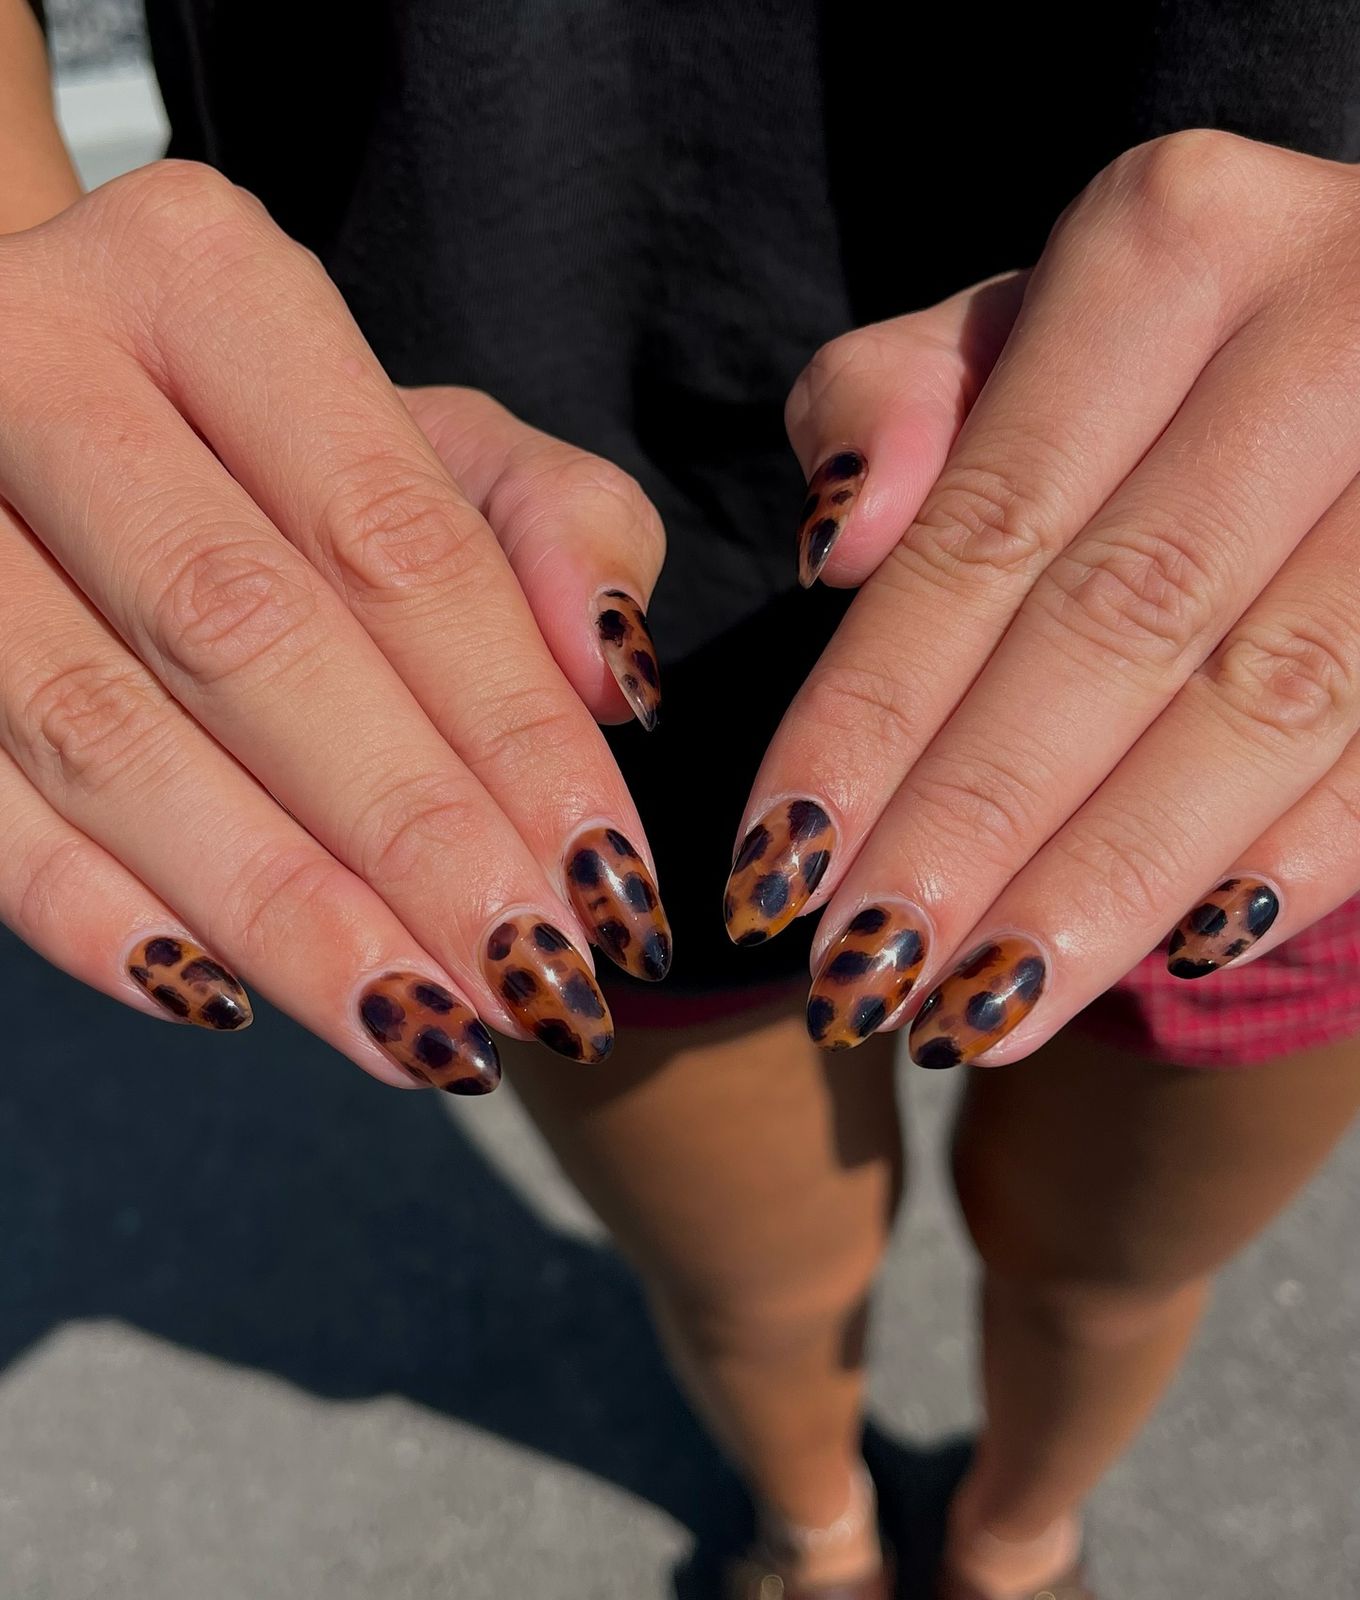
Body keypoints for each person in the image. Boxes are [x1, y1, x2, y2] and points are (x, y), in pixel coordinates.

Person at [4, 3, 1360, 1595]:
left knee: (1114, 1273)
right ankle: (819, 1534)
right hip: (497, 577)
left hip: (1293, 560)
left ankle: (1013, 1544)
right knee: (755, 1282)